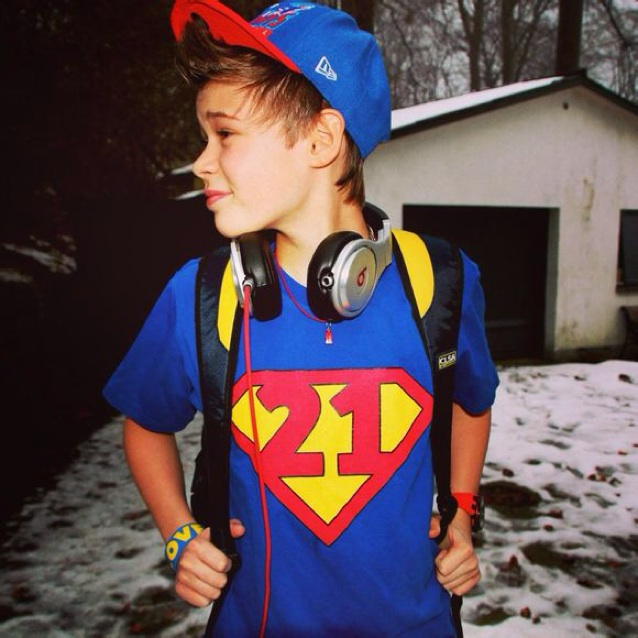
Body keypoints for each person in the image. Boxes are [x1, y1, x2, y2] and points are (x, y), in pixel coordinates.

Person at [103, 1, 499, 636]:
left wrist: (460, 508)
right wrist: (179, 533)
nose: (201, 162)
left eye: (225, 134)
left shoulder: (440, 281)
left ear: (320, 140)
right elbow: (146, 422)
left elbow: (471, 402)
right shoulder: (203, 294)